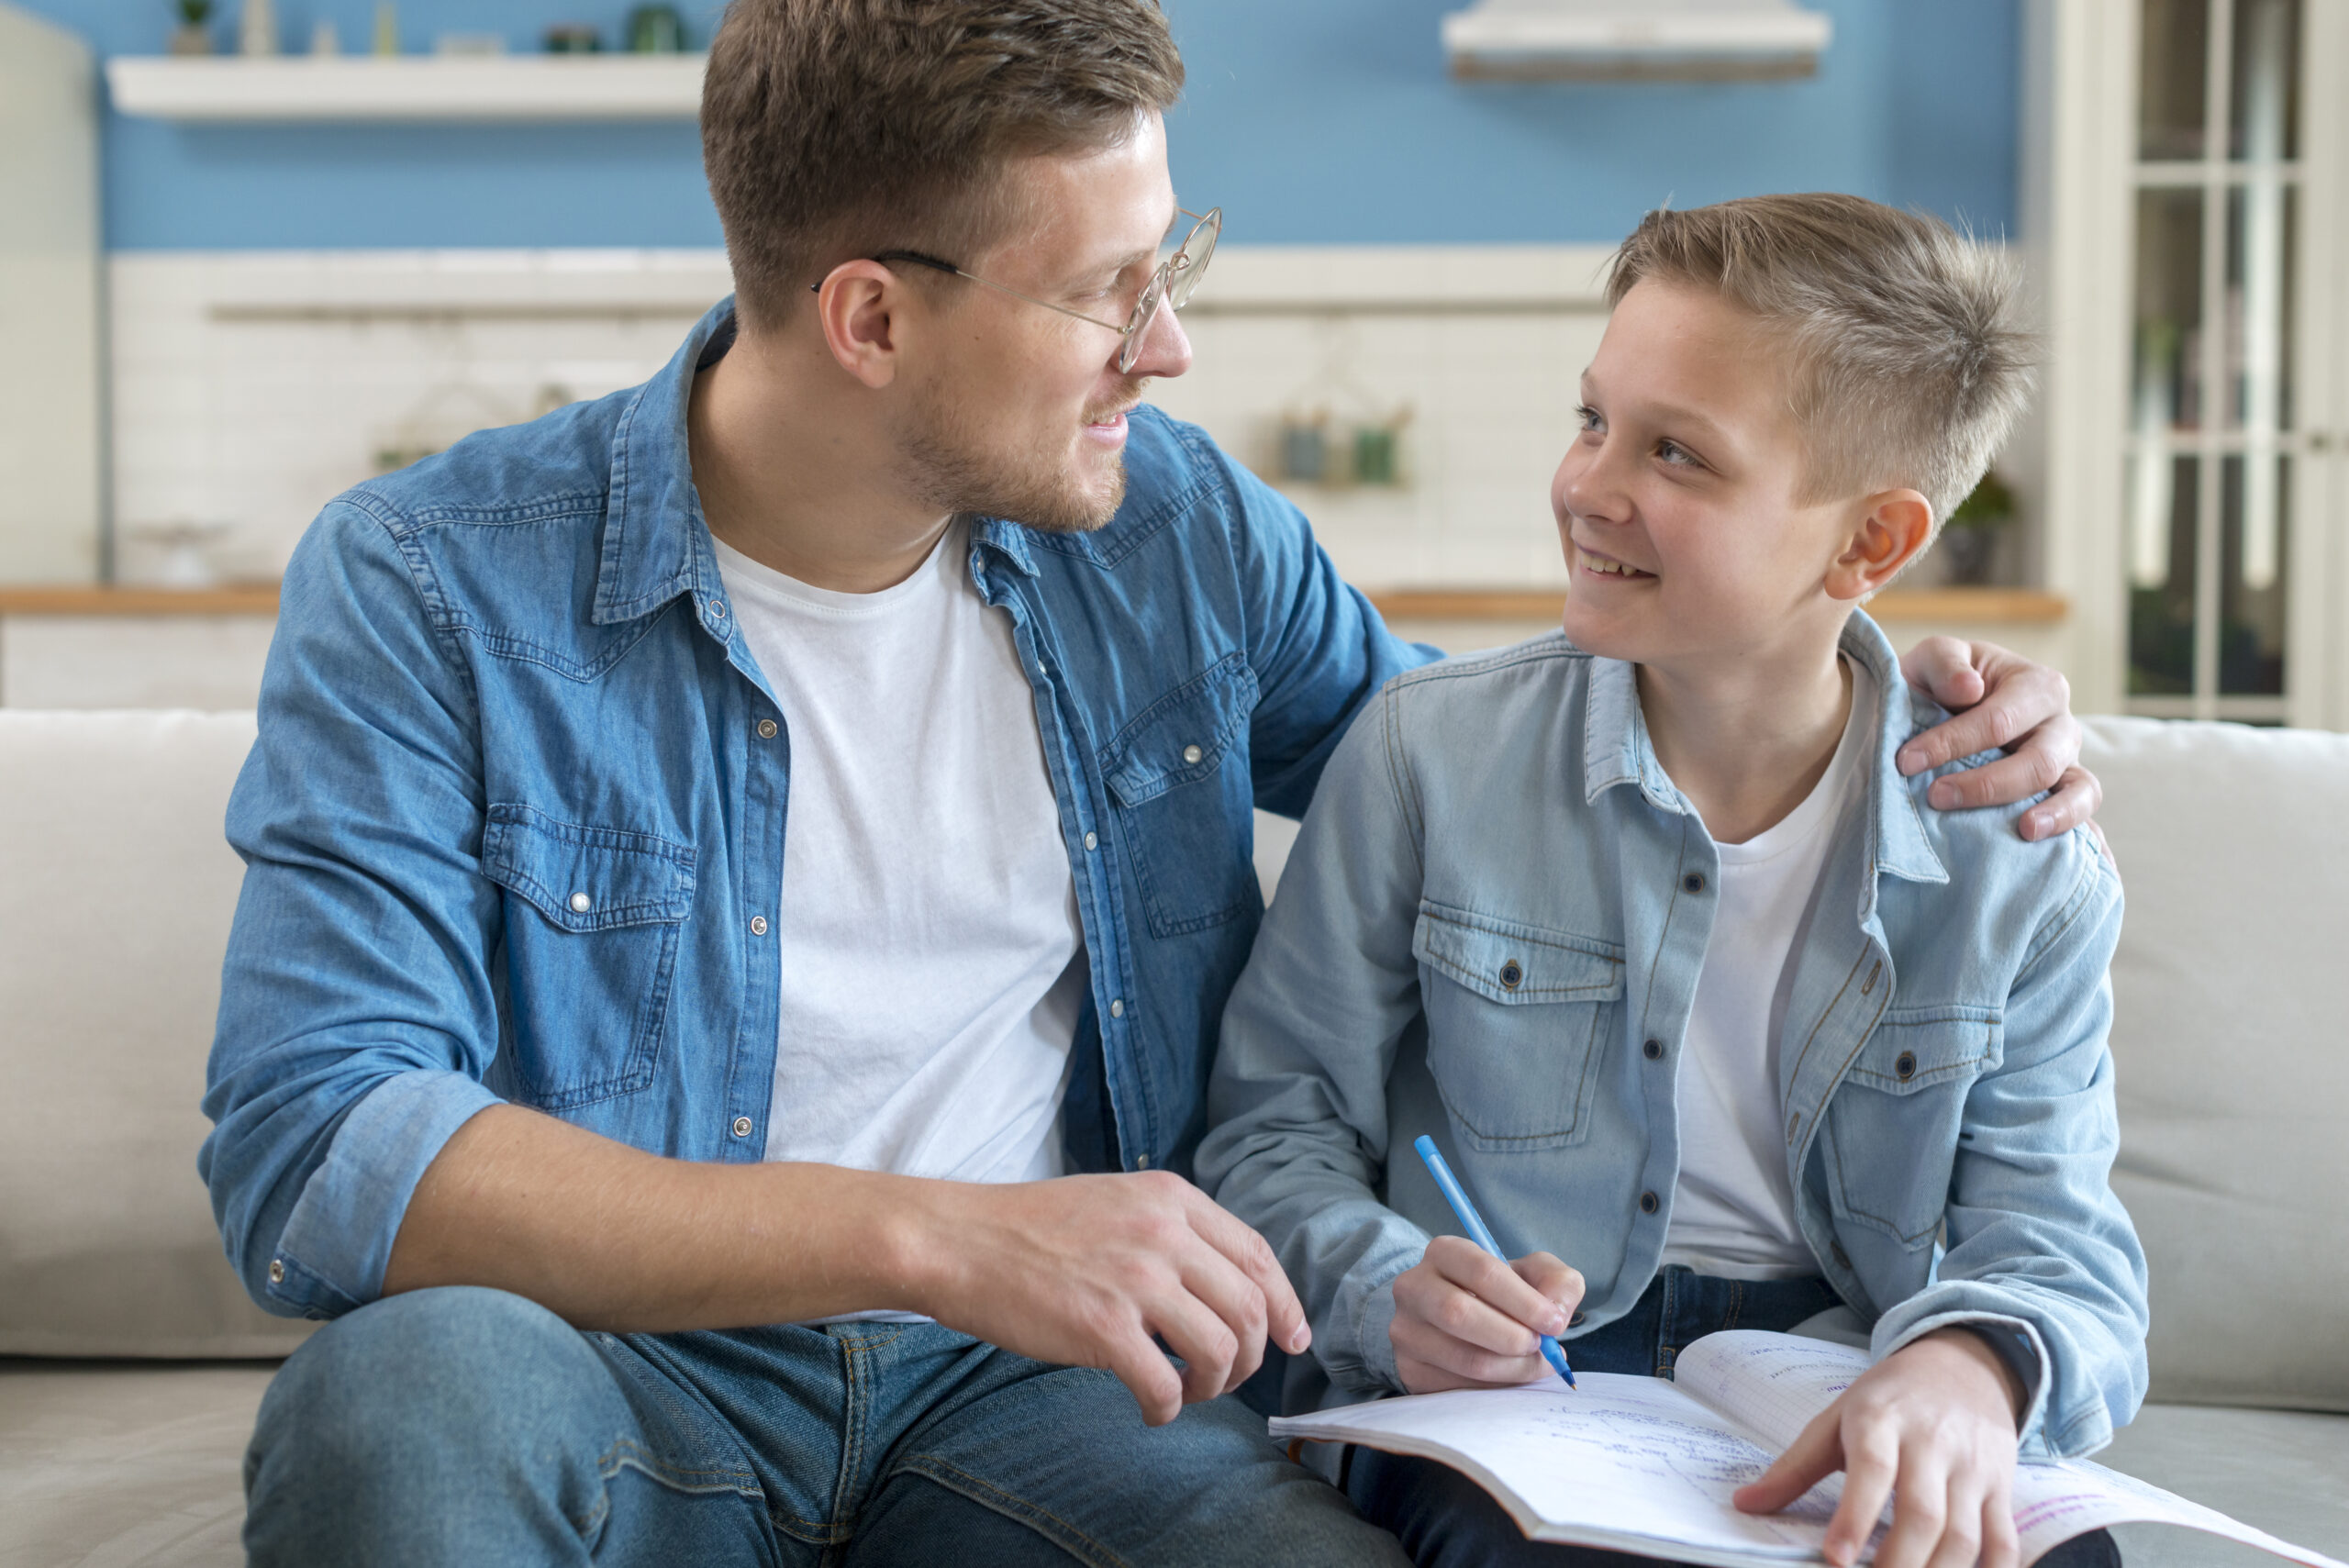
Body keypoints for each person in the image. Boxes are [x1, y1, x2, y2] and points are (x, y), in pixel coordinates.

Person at [196, 0, 2104, 1556]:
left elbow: (1501, 767)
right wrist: (935, 1238)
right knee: (399, 1399)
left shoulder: (1164, 529)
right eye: (1111, 289)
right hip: (625, 1365)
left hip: (1056, 1410)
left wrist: (1888, 704)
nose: (1168, 344)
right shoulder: (440, 580)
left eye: (1169, 260)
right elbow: (320, 1142)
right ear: (870, 318)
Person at [1197, 194, 2147, 1568]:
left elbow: (2063, 1241)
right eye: (1594, 419)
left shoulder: (2020, 852)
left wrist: (1977, 1368)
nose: (1587, 486)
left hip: (1826, 1372)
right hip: (1523, 1393)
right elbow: (1269, 1127)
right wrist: (1387, 1281)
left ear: (1869, 544)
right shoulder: (1426, 753)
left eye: (1677, 455)